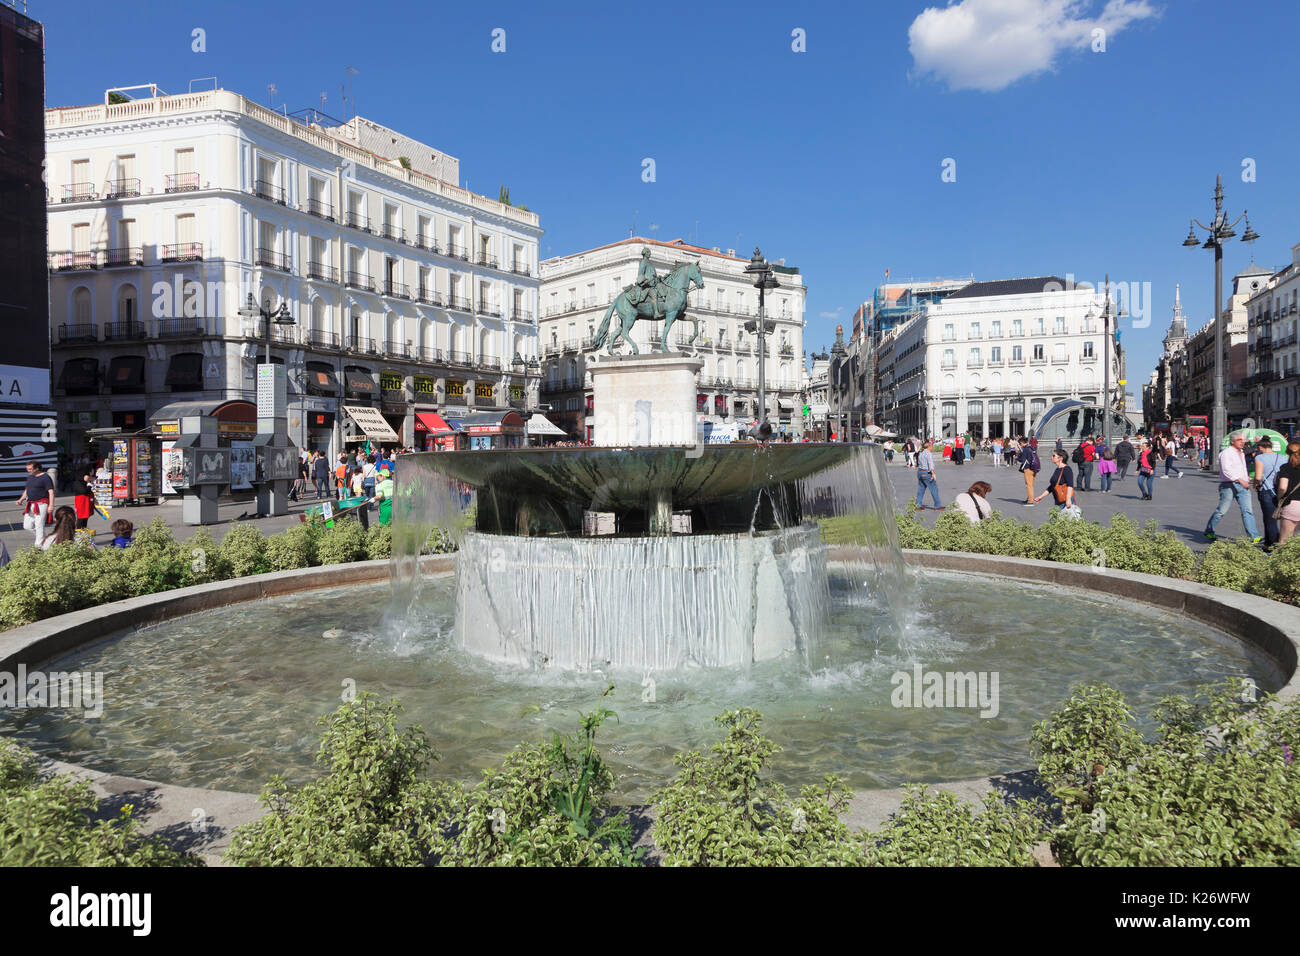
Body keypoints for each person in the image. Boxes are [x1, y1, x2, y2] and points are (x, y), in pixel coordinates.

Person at [1204, 431, 1260, 543]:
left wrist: (1245, 477)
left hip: (1242, 484)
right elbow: (1226, 470)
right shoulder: (1227, 453)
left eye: (1243, 440)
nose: (1242, 442)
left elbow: (1240, 468)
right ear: (1232, 441)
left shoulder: (1241, 453)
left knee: (1247, 510)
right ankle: (1209, 530)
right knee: (1222, 510)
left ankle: (1254, 537)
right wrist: (1240, 479)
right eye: (1240, 440)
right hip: (1229, 485)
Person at [1253, 436, 1284, 550]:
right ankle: (1268, 543)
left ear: (1261, 447)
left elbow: (1258, 476)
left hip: (1266, 490)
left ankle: (1273, 545)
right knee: (1277, 519)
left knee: (1269, 519)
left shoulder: (1260, 458)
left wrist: (1255, 484)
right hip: (1280, 490)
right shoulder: (1283, 457)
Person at [17, 461, 55, 547]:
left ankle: (38, 546)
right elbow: (27, 489)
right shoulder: (30, 477)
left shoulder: (45, 477)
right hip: (30, 504)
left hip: (42, 504)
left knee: (39, 525)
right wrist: (21, 499)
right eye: (27, 469)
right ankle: (44, 538)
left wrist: (51, 505)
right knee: (27, 526)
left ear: (37, 468)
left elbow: (51, 492)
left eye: (30, 469)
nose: (28, 471)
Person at [1275, 441, 1300, 545]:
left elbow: (1282, 487)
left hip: (1292, 504)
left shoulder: (1286, 467)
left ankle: (1283, 561)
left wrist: (1279, 498)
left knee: (1284, 541)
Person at [915, 439, 941, 509]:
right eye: (932, 446)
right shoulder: (929, 454)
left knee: (921, 489)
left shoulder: (921, 453)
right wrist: (933, 474)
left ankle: (918, 505)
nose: (932, 447)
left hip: (920, 472)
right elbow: (930, 464)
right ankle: (937, 506)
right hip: (926, 472)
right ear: (930, 446)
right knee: (934, 489)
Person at [1018, 438, 1041, 505]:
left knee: (1029, 485)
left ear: (1022, 443)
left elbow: (1022, 460)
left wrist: (1017, 457)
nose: (1020, 444)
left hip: (1028, 469)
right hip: (1034, 468)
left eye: (1020, 443)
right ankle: (1029, 498)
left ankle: (1030, 501)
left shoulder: (1026, 449)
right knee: (1031, 485)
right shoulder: (1031, 448)